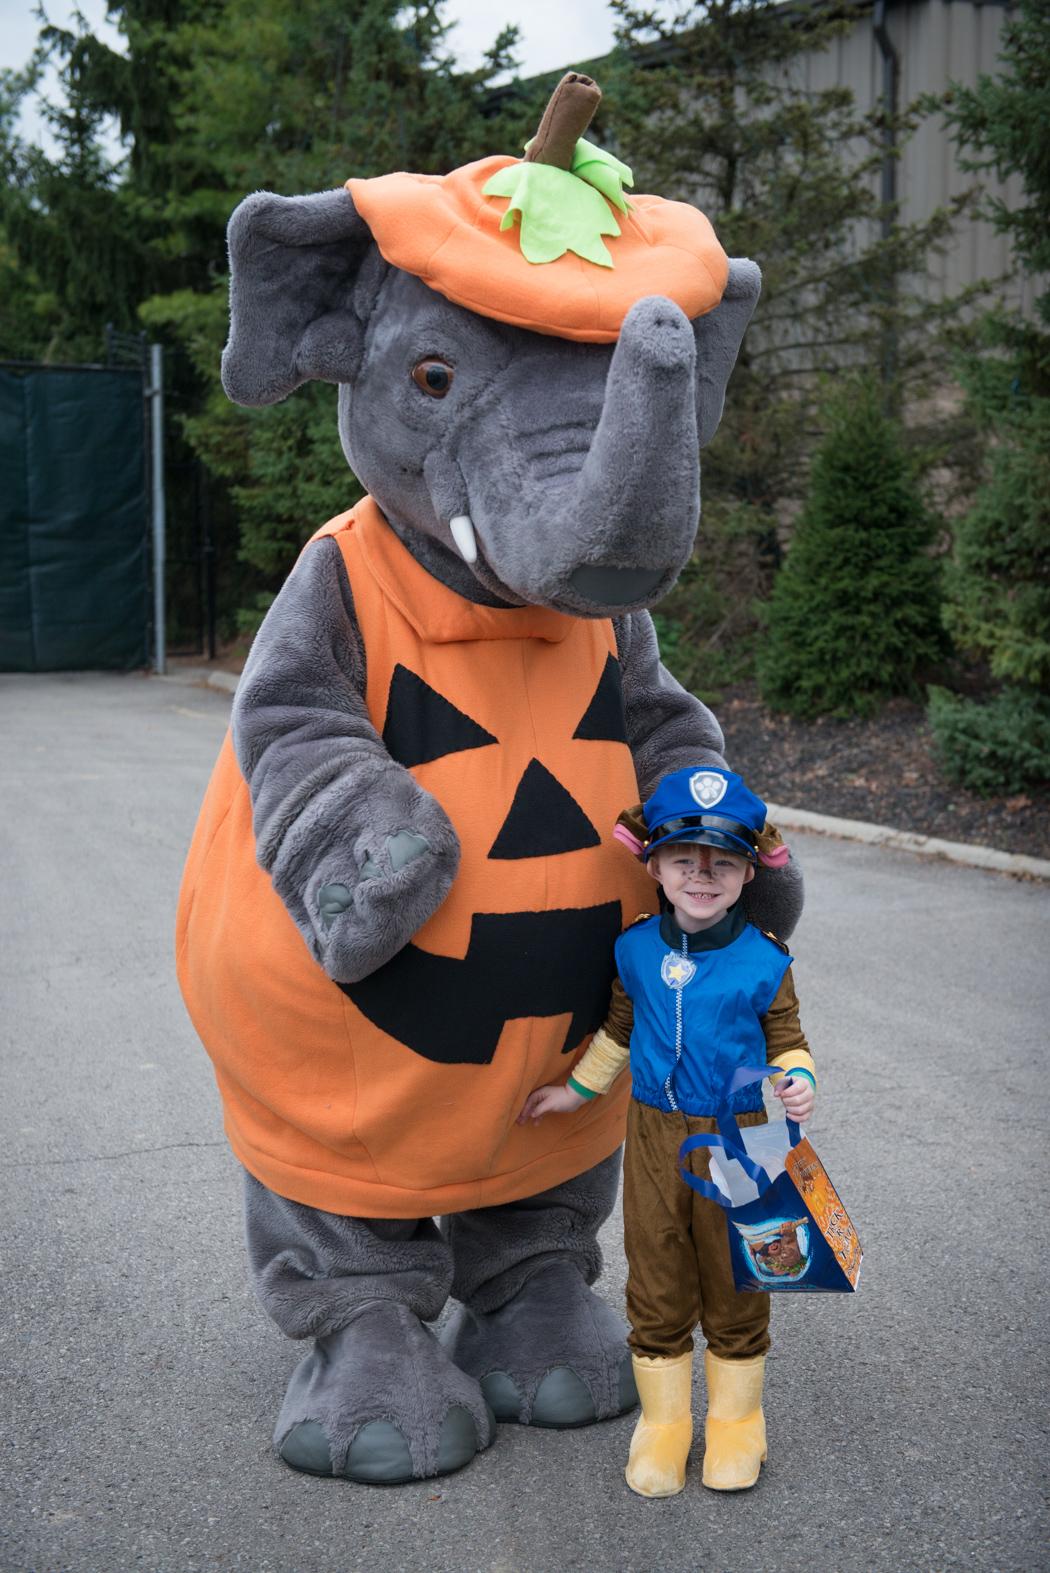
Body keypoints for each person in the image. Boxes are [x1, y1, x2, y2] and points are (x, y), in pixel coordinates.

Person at [518, 766, 817, 1498]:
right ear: (654, 864)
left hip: (741, 1135)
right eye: (684, 858)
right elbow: (618, 1033)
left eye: (721, 861)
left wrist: (798, 1078)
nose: (702, 875)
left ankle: (738, 1424)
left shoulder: (765, 958)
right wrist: (574, 1089)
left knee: (738, 1272)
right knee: (654, 1266)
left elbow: (788, 1036)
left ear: (749, 870)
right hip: (652, 1131)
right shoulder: (635, 950)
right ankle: (665, 1422)